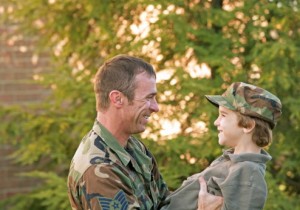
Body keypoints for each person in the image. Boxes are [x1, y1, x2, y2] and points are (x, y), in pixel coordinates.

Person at [67, 54, 222, 210]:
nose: (155, 107)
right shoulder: (98, 170)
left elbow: (165, 203)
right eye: (148, 98)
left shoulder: (134, 148)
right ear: (117, 99)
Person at [160, 82, 282, 210]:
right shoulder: (232, 162)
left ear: (248, 126)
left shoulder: (249, 172)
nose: (216, 122)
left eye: (223, 115)